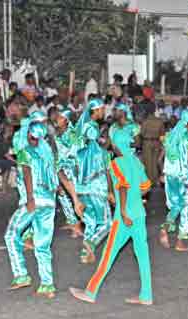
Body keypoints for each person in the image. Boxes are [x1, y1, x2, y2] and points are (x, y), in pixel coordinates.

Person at [69, 120, 153, 306]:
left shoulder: (116, 163)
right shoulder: (136, 162)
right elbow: (145, 187)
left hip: (124, 217)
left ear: (116, 145)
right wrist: (133, 197)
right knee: (143, 255)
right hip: (139, 214)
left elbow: (122, 187)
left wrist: (122, 209)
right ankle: (146, 295)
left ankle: (90, 292)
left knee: (108, 254)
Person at [4, 120, 59, 298]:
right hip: (49, 202)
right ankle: (47, 284)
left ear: (29, 134)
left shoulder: (25, 152)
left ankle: (21, 275)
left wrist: (29, 198)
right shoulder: (47, 155)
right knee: (42, 245)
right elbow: (54, 184)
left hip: (34, 200)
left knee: (11, 234)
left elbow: (27, 173)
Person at [75, 99, 112, 264]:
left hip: (82, 188)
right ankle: (91, 242)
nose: (103, 111)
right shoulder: (98, 152)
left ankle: (86, 254)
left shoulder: (80, 150)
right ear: (95, 111)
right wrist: (110, 191)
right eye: (102, 109)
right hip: (97, 187)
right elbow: (106, 170)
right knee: (106, 223)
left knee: (90, 221)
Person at [159, 109, 188, 251]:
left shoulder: (169, 136)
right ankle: (178, 240)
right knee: (186, 207)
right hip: (184, 177)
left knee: (176, 205)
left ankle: (168, 228)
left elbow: (160, 158)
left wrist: (162, 173)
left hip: (170, 175)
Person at [54, 109, 85, 238]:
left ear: (66, 120)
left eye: (60, 117)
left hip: (72, 170)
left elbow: (79, 153)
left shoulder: (73, 135)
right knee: (62, 196)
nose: (57, 119)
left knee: (74, 196)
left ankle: (79, 224)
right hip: (60, 170)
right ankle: (73, 222)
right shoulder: (58, 134)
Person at [141, 105, 165, 186]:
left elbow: (142, 133)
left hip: (147, 142)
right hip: (156, 142)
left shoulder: (145, 121)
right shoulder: (159, 121)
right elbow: (162, 134)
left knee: (148, 163)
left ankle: (149, 181)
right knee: (155, 163)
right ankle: (155, 181)